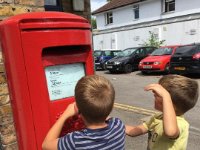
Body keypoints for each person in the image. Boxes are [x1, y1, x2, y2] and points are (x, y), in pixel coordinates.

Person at [42, 75, 125, 150]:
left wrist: (64, 115)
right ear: (112, 106)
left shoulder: (76, 141)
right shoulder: (118, 125)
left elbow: (46, 145)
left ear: (77, 108)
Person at [126, 75, 199, 150]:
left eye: (158, 95)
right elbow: (134, 131)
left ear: (169, 103)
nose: (154, 94)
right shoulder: (158, 117)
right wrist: (116, 125)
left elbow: (170, 132)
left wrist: (165, 96)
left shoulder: (180, 123)